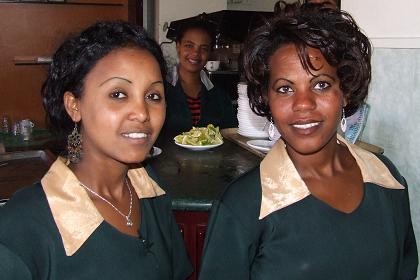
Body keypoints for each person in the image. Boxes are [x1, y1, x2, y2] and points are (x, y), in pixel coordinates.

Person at [199, 4, 418, 280]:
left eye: (321, 84)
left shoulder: (388, 182)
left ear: (345, 91)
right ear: (267, 99)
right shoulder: (243, 205)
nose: (303, 104)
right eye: (285, 88)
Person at [0, 21, 192, 279]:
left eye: (153, 96)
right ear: (74, 105)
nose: (142, 113)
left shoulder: (149, 189)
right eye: (118, 94)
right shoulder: (23, 226)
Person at [164, 19, 238, 133]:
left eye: (203, 48)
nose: (195, 53)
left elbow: (230, 133)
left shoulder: (219, 96)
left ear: (210, 53)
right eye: (189, 45)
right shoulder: (162, 88)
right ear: (178, 46)